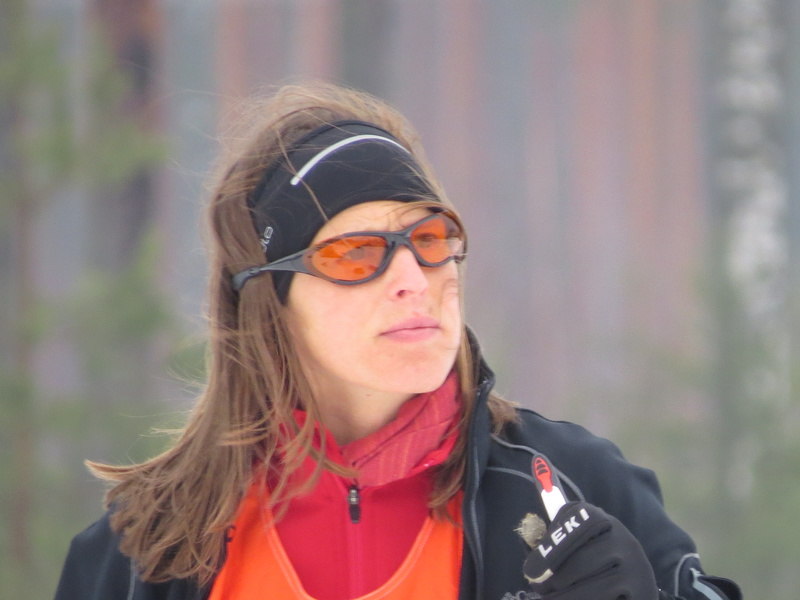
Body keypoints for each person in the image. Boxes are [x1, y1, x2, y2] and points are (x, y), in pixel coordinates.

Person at [54, 82, 741, 600]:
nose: (414, 279)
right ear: (271, 304)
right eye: (356, 254)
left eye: (430, 238)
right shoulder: (145, 547)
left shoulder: (571, 485)